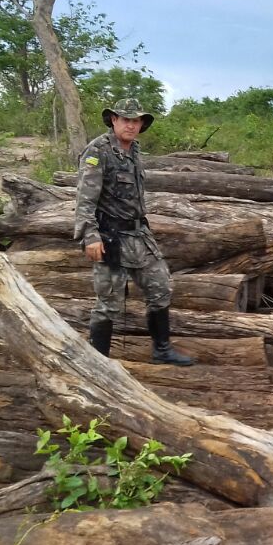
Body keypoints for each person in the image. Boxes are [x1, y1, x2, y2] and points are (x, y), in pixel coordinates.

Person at [73, 97, 193, 366]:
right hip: (110, 237)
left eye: (136, 120)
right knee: (109, 302)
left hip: (139, 234)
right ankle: (99, 363)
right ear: (114, 120)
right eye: (126, 119)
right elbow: (84, 200)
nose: (131, 125)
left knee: (161, 286)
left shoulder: (134, 150)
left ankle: (162, 350)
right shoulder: (97, 152)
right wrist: (90, 236)